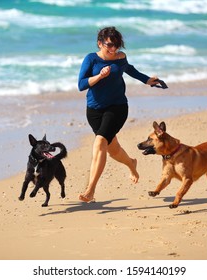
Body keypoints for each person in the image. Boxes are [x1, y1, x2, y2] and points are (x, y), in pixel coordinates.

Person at [77, 26, 160, 202]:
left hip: (117, 108)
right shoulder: (91, 59)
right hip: (94, 110)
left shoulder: (120, 58)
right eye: (109, 45)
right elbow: (81, 84)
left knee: (100, 142)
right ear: (100, 43)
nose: (113, 49)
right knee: (112, 149)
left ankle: (90, 190)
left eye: (116, 45)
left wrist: (147, 80)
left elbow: (129, 69)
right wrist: (99, 76)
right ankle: (131, 163)